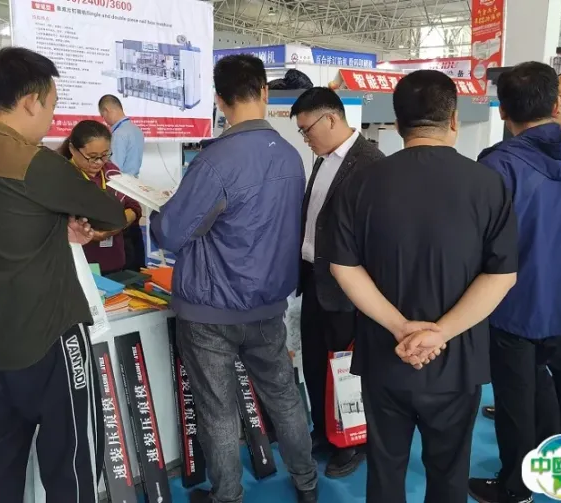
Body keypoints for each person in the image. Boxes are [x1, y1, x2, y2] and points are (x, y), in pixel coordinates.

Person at [321, 69, 519, 503]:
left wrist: (400, 328)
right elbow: (502, 274)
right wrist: (439, 333)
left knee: (385, 467)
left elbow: (343, 268)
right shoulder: (487, 184)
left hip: (384, 355)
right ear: (454, 119)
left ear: (397, 123)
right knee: (449, 471)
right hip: (456, 359)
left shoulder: (361, 182)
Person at [0, 47, 127, 503]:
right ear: (30, 102)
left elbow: (2, 220)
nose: (51, 117)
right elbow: (108, 212)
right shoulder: (33, 160)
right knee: (73, 463)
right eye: (51, 105)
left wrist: (52, 224)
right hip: (50, 338)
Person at [150, 54, 318, 503]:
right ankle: (307, 483)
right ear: (264, 92)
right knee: (283, 397)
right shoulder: (290, 155)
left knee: (218, 410)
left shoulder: (214, 162)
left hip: (210, 309)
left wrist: (159, 213)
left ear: (220, 100)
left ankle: (227, 495)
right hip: (268, 304)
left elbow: (171, 232)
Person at [467, 62, 561, 503]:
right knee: (544, 380)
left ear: (503, 109)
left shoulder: (499, 163)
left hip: (514, 296)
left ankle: (516, 484)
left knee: (515, 393)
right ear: (554, 103)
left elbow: (483, 239)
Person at [290, 87, 384, 478]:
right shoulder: (322, 160)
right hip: (314, 280)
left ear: (330, 118)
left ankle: (352, 442)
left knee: (344, 370)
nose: (305, 138)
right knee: (314, 362)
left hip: (348, 290)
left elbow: (376, 237)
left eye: (307, 129)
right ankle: (324, 431)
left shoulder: (371, 163)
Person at [59, 120, 143, 275]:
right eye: (92, 157)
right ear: (72, 149)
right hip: (77, 263)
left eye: (104, 155)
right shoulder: (62, 176)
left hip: (114, 260)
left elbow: (133, 206)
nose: (98, 163)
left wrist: (118, 224)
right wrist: (88, 233)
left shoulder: (111, 171)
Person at [99, 94, 147, 270]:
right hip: (134, 187)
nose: (105, 120)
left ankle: (126, 269)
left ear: (107, 110)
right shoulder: (136, 130)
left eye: (103, 116)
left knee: (123, 234)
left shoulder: (118, 135)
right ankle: (138, 268)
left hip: (120, 190)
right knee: (134, 230)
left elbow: (112, 169)